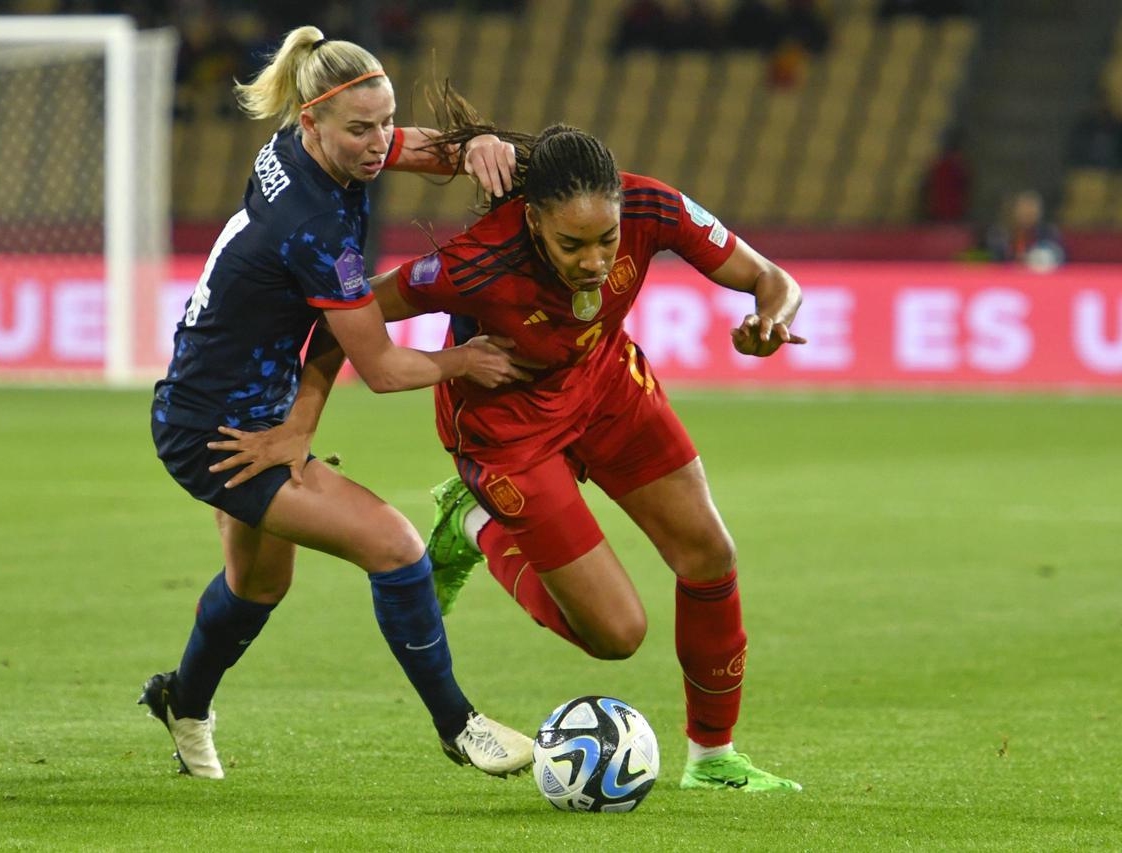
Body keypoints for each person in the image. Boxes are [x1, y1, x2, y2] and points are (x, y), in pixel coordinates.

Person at [225, 112, 808, 793]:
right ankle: (471, 522)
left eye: (608, 240)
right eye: (573, 244)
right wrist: (301, 423)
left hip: (606, 387)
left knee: (710, 555)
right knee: (616, 634)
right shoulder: (476, 263)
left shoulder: (655, 205)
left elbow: (771, 279)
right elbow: (346, 315)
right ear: (533, 222)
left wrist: (773, 319)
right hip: (507, 432)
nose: (595, 261)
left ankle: (712, 758)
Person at [141, 26, 536, 781]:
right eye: (361, 128)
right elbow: (381, 367)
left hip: (225, 399)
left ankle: (182, 702)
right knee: (395, 546)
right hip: (220, 431)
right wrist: (463, 360)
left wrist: (483, 144)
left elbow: (426, 149)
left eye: (385, 120)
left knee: (259, 584)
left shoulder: (299, 152)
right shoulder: (314, 229)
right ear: (312, 120)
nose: (380, 142)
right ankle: (459, 724)